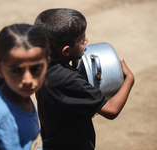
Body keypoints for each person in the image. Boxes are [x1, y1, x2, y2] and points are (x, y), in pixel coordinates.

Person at [34, 8, 134, 150]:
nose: (86, 40)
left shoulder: (42, 64)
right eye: (81, 40)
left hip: (50, 142)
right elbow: (111, 110)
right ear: (66, 51)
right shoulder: (68, 80)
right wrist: (129, 79)